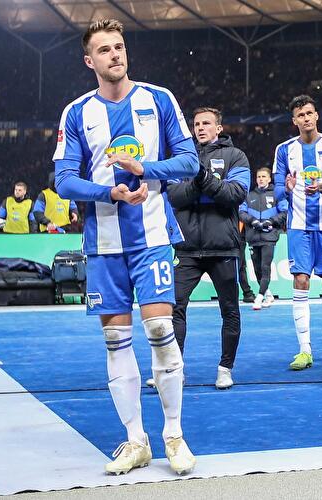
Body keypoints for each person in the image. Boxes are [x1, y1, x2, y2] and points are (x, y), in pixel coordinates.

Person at [53, 19, 199, 475]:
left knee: (160, 332)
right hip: (104, 243)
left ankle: (173, 434)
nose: (115, 54)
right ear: (89, 61)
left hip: (153, 237)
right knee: (116, 341)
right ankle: (136, 440)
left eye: (120, 47)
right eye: (105, 49)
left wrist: (145, 167)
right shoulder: (76, 112)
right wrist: (108, 193)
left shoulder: (158, 99)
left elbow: (190, 161)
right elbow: (62, 179)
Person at [166, 106, 250, 390]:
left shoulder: (236, 156)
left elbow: (235, 195)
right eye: (196, 123)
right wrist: (206, 183)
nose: (200, 128)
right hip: (187, 248)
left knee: (230, 310)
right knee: (173, 307)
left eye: (206, 123)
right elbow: (174, 197)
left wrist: (200, 178)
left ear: (219, 128)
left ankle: (225, 368)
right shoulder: (181, 158)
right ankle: (174, 368)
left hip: (223, 248)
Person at [273, 95, 322, 371]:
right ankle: (304, 349)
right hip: (298, 226)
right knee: (301, 281)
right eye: (300, 115)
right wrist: (288, 191)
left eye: (309, 113)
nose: (305, 118)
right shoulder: (284, 150)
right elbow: (278, 191)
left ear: (316, 116)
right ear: (294, 121)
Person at [239, 167, 288, 309]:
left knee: (265, 267)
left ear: (269, 179)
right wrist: (252, 221)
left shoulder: (277, 194)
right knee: (257, 269)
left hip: (269, 237)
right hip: (253, 237)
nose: (261, 179)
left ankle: (259, 298)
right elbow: (241, 212)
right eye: (258, 176)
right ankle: (268, 294)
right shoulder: (249, 195)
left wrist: (271, 221)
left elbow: (284, 212)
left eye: (263, 176)